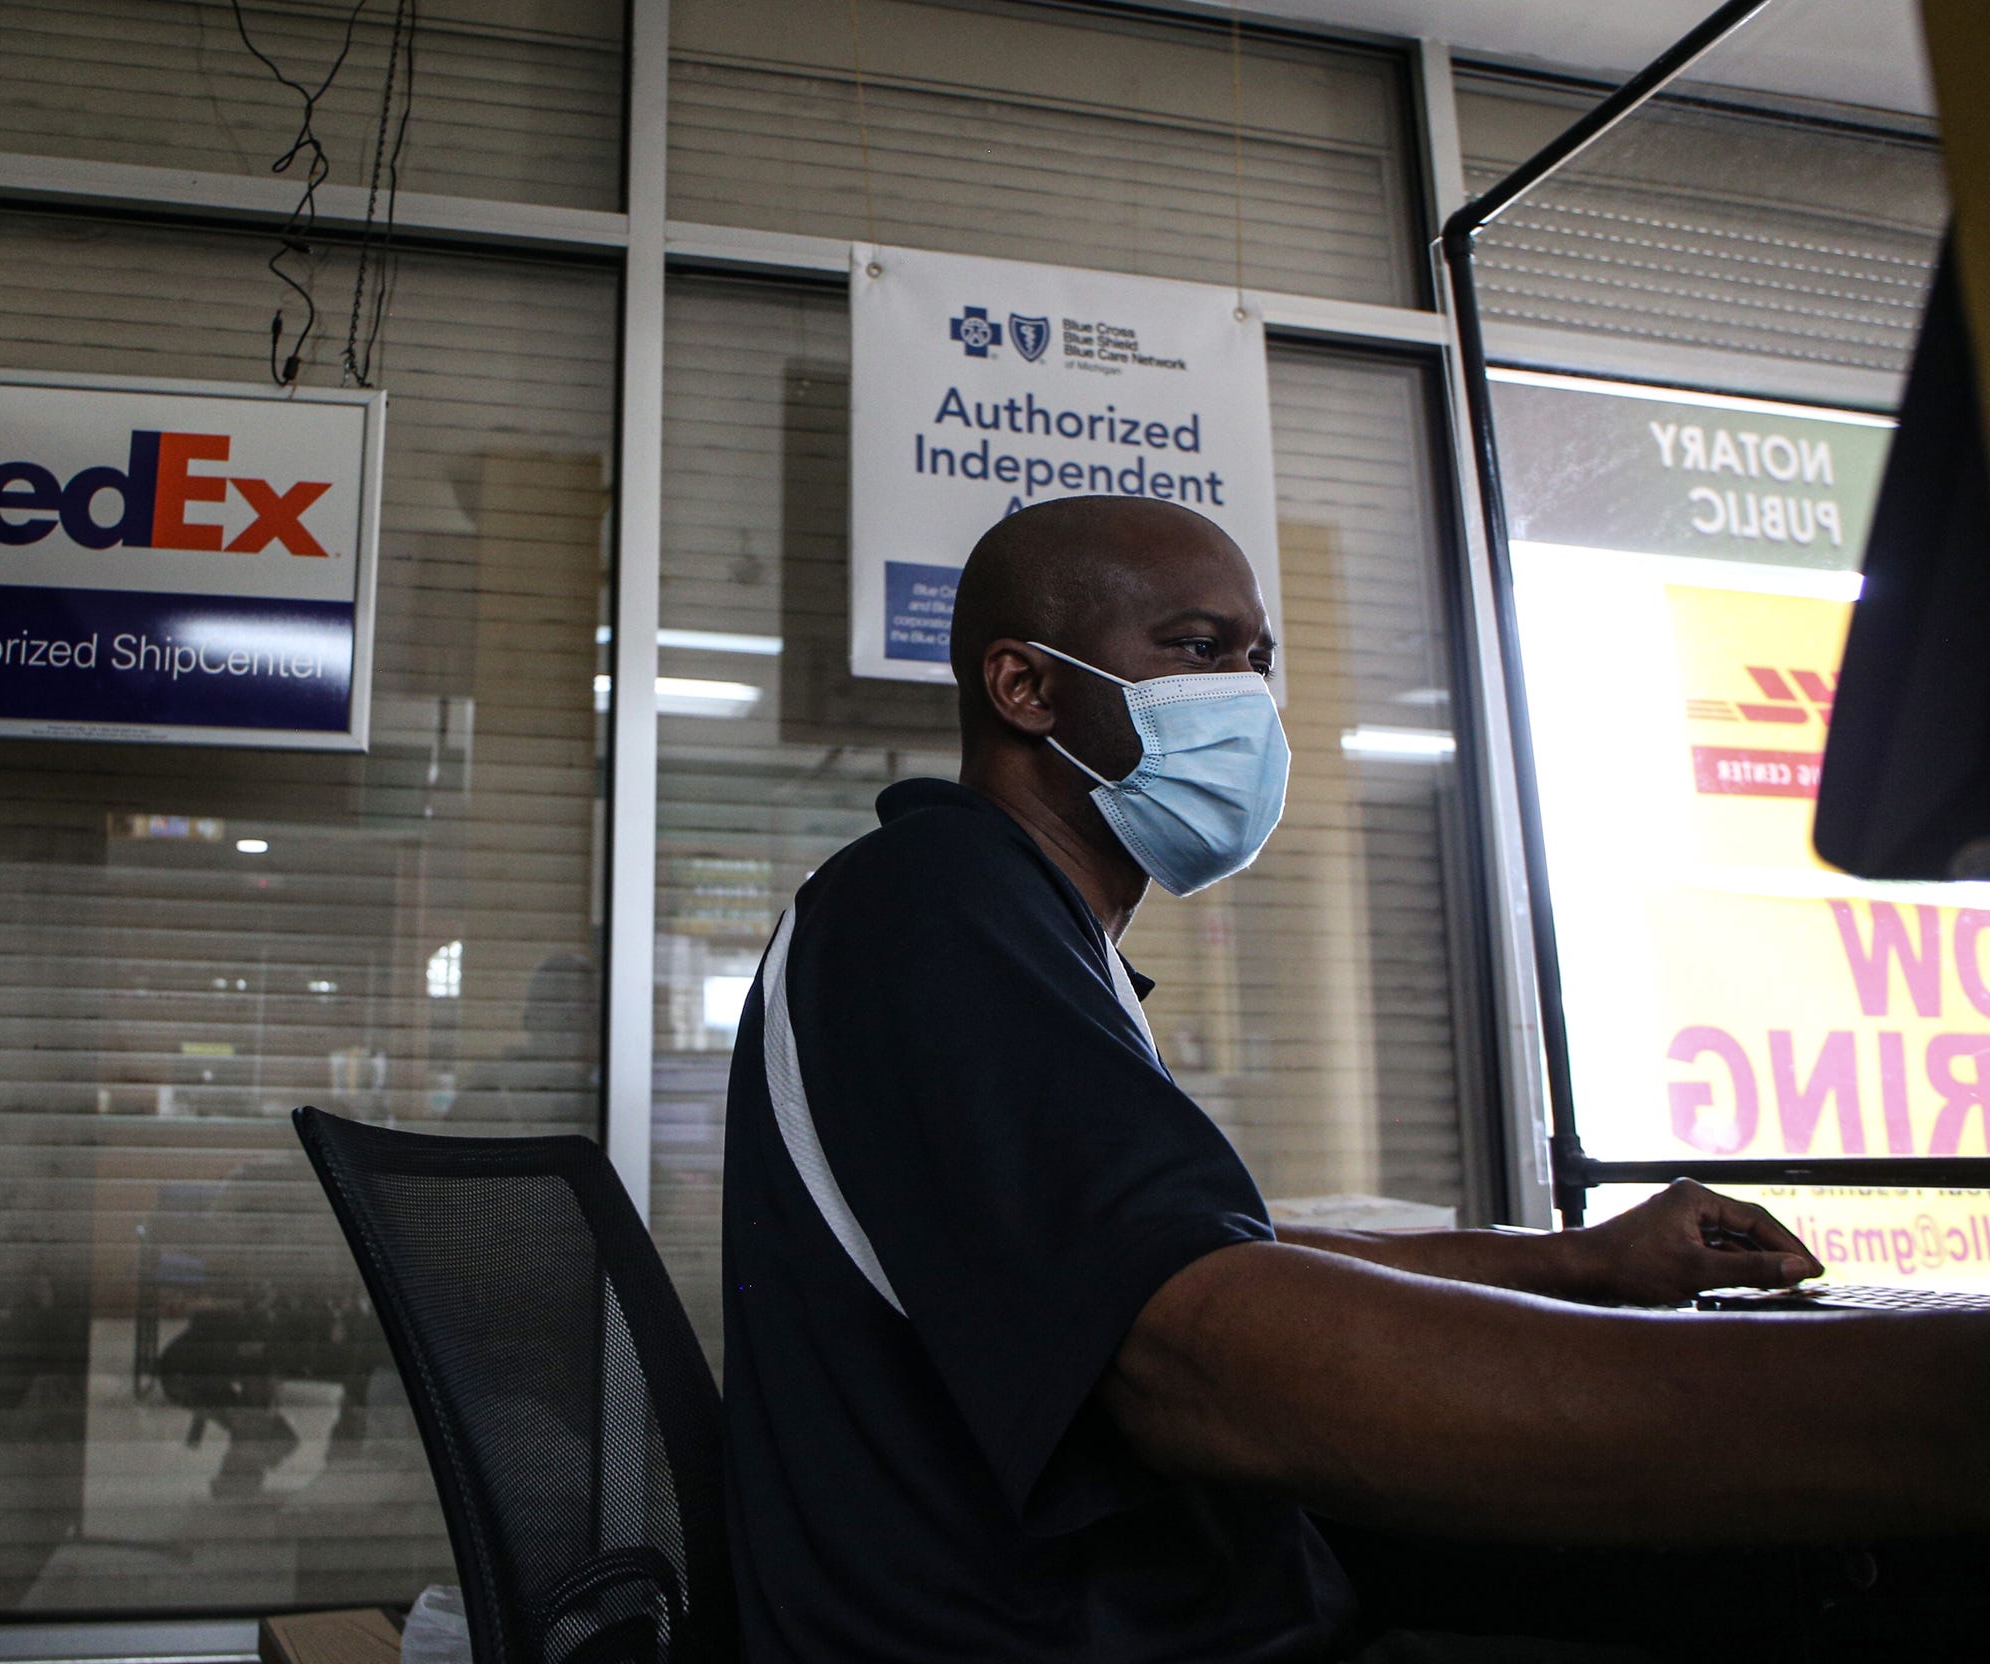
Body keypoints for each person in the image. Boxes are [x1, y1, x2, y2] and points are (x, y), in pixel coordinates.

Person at [719, 495, 1990, 1663]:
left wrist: (1586, 1263)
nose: (1249, 695)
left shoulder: (1028, 930)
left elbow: (1202, 1256)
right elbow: (1202, 1351)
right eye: (1200, 648)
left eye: (1257, 658)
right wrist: (1916, 1407)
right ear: (1026, 686)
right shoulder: (933, 903)